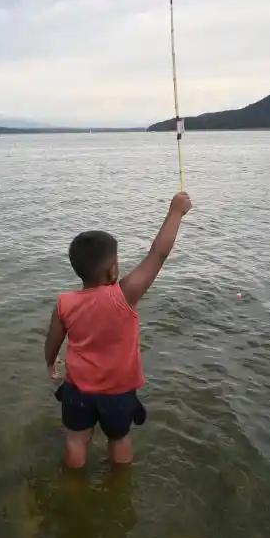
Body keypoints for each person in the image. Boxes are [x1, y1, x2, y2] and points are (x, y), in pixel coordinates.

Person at [43, 192, 192, 468]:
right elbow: (158, 254)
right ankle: (119, 488)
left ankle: (73, 487)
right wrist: (175, 212)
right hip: (118, 393)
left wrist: (51, 364)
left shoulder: (65, 303)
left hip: (77, 390)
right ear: (113, 271)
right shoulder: (124, 295)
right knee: (120, 439)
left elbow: (52, 342)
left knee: (76, 440)